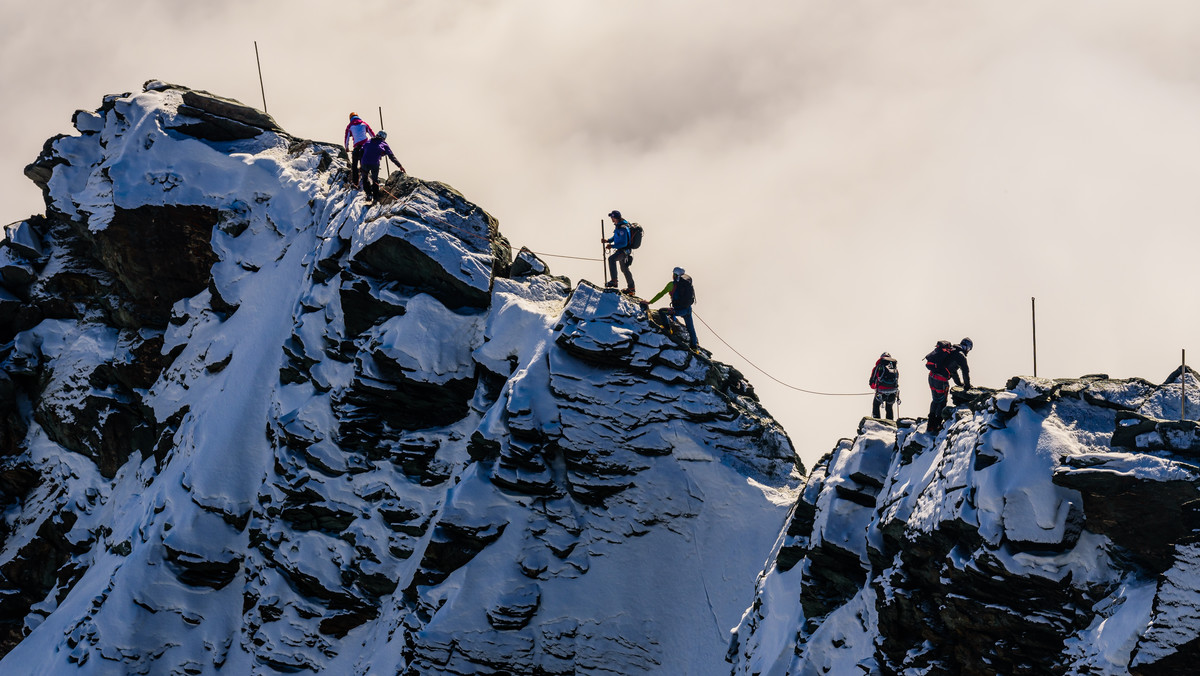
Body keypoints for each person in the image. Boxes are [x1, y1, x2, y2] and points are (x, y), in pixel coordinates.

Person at [640, 267, 698, 349]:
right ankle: (694, 347)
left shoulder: (672, 285)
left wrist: (649, 302)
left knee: (662, 311)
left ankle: (667, 329)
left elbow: (661, 294)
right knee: (691, 328)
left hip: (678, 310)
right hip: (687, 309)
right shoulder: (687, 284)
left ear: (675, 275)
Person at [924, 337, 972, 433]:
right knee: (941, 402)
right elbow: (965, 372)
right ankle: (937, 425)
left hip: (931, 376)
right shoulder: (961, 356)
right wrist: (967, 385)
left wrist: (959, 383)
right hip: (940, 380)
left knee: (935, 400)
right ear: (967, 348)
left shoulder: (951, 351)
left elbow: (953, 371)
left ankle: (930, 425)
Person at [359, 131, 405, 202]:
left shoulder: (369, 141)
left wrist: (360, 164)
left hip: (364, 162)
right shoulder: (384, 144)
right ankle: (375, 197)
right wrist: (400, 166)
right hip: (375, 163)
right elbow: (391, 156)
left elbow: (361, 151)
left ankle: (369, 194)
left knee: (365, 179)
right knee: (375, 180)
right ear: (384, 138)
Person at [601, 210, 635, 294]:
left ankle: (614, 281)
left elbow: (623, 243)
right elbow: (616, 236)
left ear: (615, 217)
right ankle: (631, 288)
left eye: (612, 217)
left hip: (624, 250)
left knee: (611, 259)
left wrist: (611, 246)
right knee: (624, 268)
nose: (611, 219)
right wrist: (608, 240)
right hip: (624, 250)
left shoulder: (622, 227)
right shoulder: (619, 226)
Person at [344, 112, 375, 188]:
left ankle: (355, 182)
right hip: (365, 147)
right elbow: (372, 135)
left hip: (357, 148)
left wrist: (346, 148)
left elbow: (346, 138)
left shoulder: (350, 126)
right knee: (364, 164)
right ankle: (366, 181)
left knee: (354, 165)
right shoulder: (364, 124)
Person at [869, 352, 900, 420]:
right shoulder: (894, 368)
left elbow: (872, 380)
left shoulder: (878, 367)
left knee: (876, 405)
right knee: (889, 407)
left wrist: (875, 387)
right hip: (893, 391)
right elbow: (897, 379)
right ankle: (890, 423)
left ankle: (877, 422)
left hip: (881, 391)